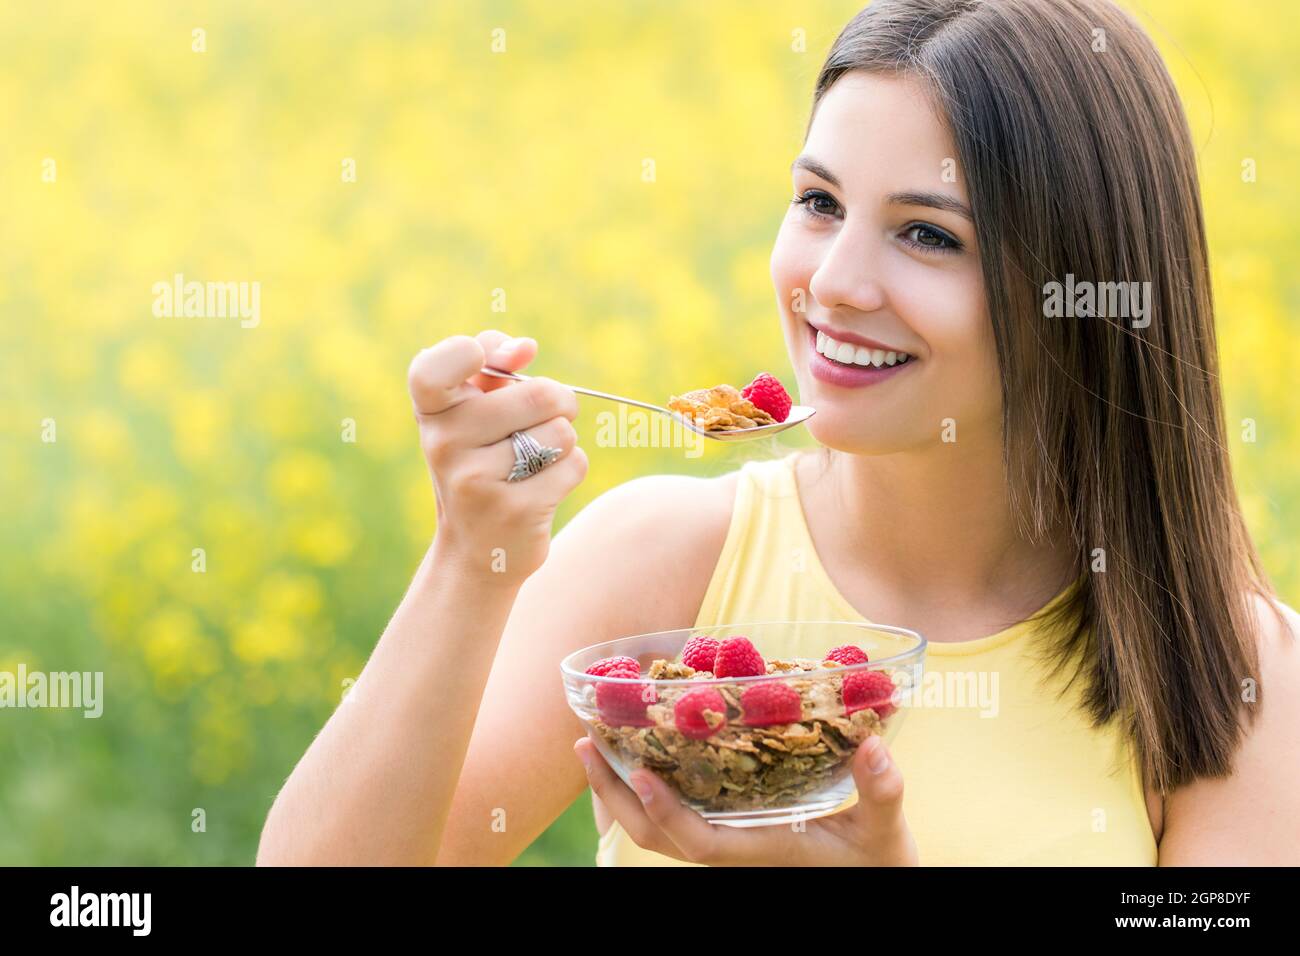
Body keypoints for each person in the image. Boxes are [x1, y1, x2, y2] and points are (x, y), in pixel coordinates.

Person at [257, 0, 1299, 866]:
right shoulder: (662, 564)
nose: (833, 283)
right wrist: (466, 559)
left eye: (928, 234)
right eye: (817, 202)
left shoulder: (1227, 667)